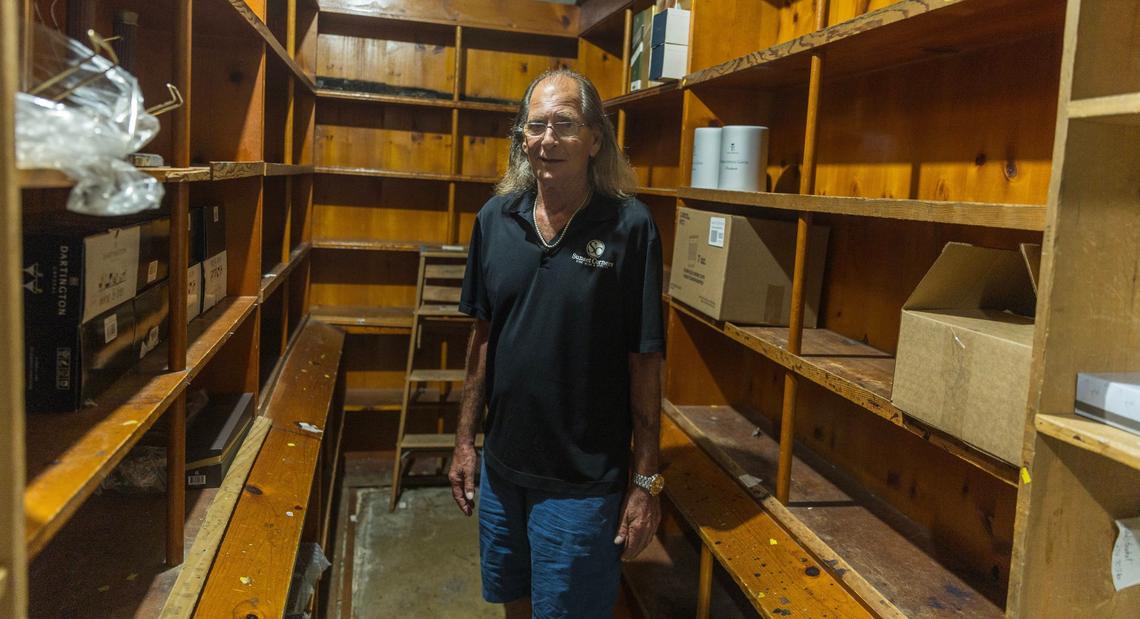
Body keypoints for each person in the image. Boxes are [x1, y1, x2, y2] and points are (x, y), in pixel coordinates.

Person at [448, 68, 666, 619]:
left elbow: (645, 360)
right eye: (536, 125)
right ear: (522, 137)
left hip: (583, 483)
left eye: (565, 125)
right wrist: (465, 441)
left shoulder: (630, 227)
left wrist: (645, 480)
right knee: (513, 603)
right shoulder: (495, 219)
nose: (548, 140)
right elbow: (483, 338)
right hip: (502, 469)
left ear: (596, 138)